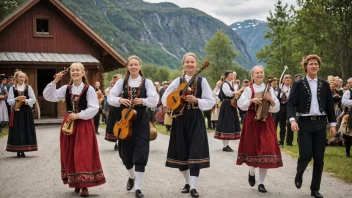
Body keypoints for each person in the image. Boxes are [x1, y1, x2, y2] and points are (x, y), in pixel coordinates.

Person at [43, 62, 106, 197]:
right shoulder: (66, 88)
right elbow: (49, 96)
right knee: (70, 152)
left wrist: (79, 115)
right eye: (73, 70)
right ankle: (75, 181)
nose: (75, 72)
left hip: (83, 123)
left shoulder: (89, 89)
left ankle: (85, 185)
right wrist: (55, 81)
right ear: (70, 73)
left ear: (83, 73)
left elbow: (94, 108)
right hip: (69, 124)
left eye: (78, 70)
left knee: (82, 153)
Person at [162, 52, 215, 197]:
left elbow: (211, 101)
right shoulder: (177, 81)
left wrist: (197, 100)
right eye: (187, 62)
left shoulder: (202, 81)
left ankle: (193, 187)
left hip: (195, 119)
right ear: (183, 64)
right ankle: (187, 182)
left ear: (197, 64)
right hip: (180, 119)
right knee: (181, 153)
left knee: (195, 152)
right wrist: (176, 101)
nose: (190, 64)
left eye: (192, 62)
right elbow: (164, 98)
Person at [108, 55, 158, 198]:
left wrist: (142, 100)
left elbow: (154, 100)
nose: (134, 67)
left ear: (140, 66)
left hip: (141, 119)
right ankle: (132, 176)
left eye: (136, 64)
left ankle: (138, 188)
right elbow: (110, 98)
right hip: (124, 119)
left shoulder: (147, 82)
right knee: (125, 154)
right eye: (131, 65)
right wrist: (120, 99)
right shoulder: (121, 83)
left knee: (141, 152)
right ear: (128, 67)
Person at [287, 55, 336, 198]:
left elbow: (329, 106)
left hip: (321, 123)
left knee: (319, 158)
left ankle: (315, 189)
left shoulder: (325, 84)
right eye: (311, 64)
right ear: (305, 66)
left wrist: (332, 124)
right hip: (304, 123)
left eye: (316, 64)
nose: (314, 66)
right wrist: (292, 120)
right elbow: (291, 104)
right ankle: (300, 172)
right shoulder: (298, 84)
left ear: (318, 66)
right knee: (306, 155)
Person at [236, 66, 282, 193]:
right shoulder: (248, 89)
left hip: (266, 121)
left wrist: (270, 99)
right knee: (252, 149)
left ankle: (261, 183)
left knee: (265, 150)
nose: (260, 74)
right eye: (257, 73)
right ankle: (251, 171)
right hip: (252, 121)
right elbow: (240, 104)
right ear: (253, 76)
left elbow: (276, 107)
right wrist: (251, 100)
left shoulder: (269, 89)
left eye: (261, 72)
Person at [6, 71, 37, 157]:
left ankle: (24, 149)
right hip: (16, 111)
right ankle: (17, 150)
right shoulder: (12, 88)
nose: (22, 79)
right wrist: (17, 98)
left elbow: (33, 99)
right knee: (17, 130)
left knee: (25, 128)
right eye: (20, 77)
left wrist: (25, 101)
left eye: (23, 77)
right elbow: (9, 101)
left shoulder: (28, 87)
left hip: (26, 112)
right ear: (16, 78)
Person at [214, 70, 241, 151]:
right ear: (226, 75)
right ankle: (225, 146)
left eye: (233, 75)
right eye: (231, 75)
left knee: (229, 124)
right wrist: (238, 91)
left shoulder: (228, 83)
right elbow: (228, 94)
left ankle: (226, 145)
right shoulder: (225, 84)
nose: (232, 76)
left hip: (229, 105)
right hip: (227, 105)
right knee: (226, 124)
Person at [278, 74, 293, 147]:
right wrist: (282, 93)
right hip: (282, 107)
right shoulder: (279, 88)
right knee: (282, 125)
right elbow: (277, 97)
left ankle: (289, 142)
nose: (288, 79)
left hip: (290, 108)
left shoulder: (293, 88)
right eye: (286, 78)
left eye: (290, 78)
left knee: (290, 124)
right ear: (283, 80)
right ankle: (281, 141)